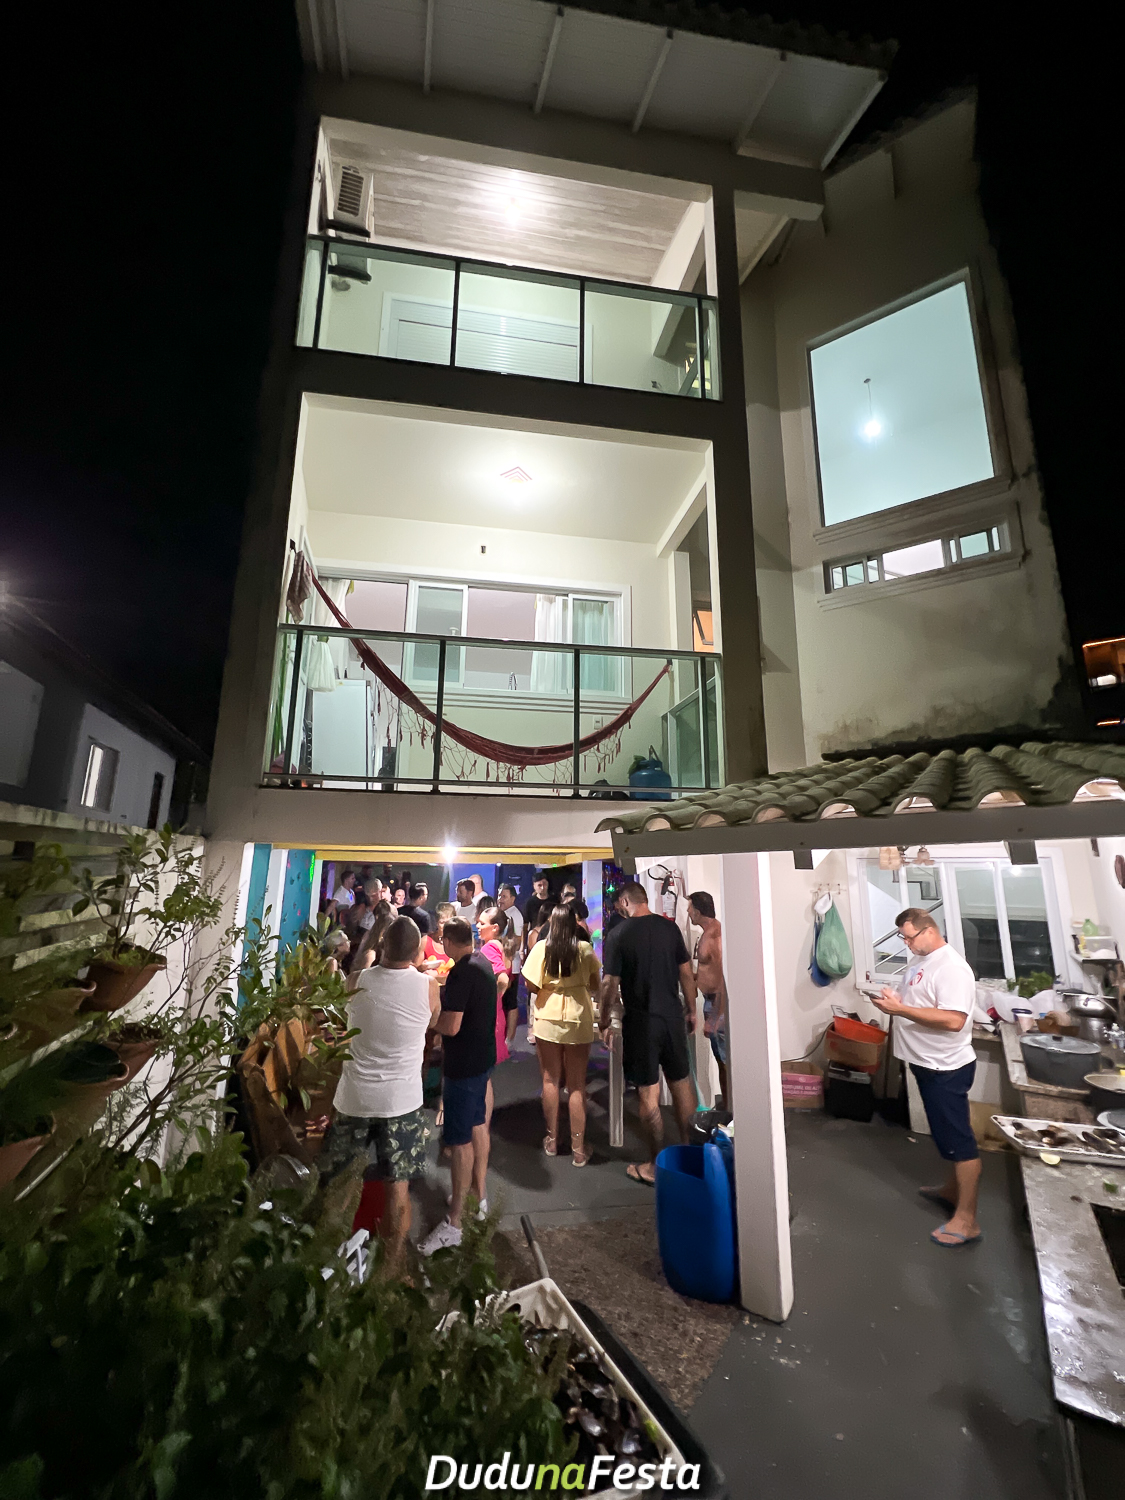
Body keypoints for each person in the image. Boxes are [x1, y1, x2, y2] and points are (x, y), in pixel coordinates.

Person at [320, 916, 439, 1264]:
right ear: (417, 952)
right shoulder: (428, 986)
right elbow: (432, 1020)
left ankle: (328, 1260)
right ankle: (391, 1265)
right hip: (401, 1101)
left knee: (341, 1186)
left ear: (383, 944)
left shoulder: (357, 980)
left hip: (354, 1097)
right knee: (397, 1191)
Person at [870, 908, 982, 1248]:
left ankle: (967, 1219)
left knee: (960, 1142)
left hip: (945, 1067)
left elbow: (953, 1020)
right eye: (902, 938)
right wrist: (896, 1001)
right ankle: (951, 1190)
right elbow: (921, 1004)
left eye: (909, 937)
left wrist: (901, 1010)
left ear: (929, 930)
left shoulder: (951, 968)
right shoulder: (921, 961)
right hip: (925, 1062)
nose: (906, 944)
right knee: (946, 1136)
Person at [599, 880, 698, 1186]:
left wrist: (603, 1019)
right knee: (681, 1084)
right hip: (672, 1017)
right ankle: (689, 1157)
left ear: (625, 902)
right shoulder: (670, 929)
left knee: (648, 1092)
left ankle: (656, 1166)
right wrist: (692, 1009)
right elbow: (686, 973)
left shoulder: (618, 935)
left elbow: (609, 983)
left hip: (641, 1021)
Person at [420, 919, 497, 1253]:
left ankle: (454, 1223)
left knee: (460, 1140)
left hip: (463, 1067)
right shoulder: (483, 963)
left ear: (449, 941)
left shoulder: (462, 973)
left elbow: (451, 1026)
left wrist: (427, 1020)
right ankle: (477, 1197)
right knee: (478, 1125)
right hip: (482, 1061)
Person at [523, 904, 600, 1166]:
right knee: (577, 1085)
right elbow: (594, 984)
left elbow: (530, 984)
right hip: (578, 1017)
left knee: (550, 1080)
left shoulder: (541, 948)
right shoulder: (585, 949)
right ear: (574, 924)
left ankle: (552, 1140)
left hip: (548, 1017)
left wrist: (549, 988)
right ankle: (578, 1149)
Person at [688, 891, 728, 1109]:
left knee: (725, 1062)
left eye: (689, 908)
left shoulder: (715, 936)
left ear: (697, 910)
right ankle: (728, 1109)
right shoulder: (706, 934)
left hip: (717, 1004)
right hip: (710, 1002)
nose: (688, 912)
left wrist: (714, 1018)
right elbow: (709, 971)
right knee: (720, 1060)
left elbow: (723, 979)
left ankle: (732, 1112)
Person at [477, 906, 518, 1061]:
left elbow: (503, 979)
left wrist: (490, 998)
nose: (478, 926)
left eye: (482, 923)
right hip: (496, 1012)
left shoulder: (490, 947)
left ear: (495, 928)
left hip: (489, 1013)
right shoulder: (500, 946)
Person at [523, 872, 552, 939]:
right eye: (539, 885)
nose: (542, 888)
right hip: (535, 937)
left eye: (544, 884)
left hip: (551, 936)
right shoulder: (530, 903)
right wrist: (523, 943)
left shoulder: (555, 901)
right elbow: (525, 924)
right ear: (534, 886)